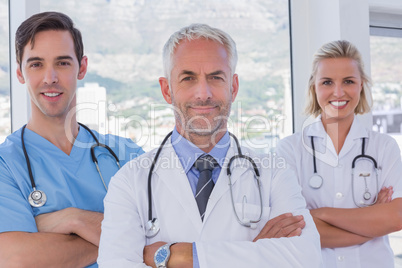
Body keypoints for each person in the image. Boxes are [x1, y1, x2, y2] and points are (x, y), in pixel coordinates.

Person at [97, 23, 322, 267]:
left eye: (215, 77)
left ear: (233, 87)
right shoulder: (130, 182)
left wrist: (180, 256)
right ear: (166, 90)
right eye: (188, 78)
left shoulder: (274, 173)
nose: (203, 93)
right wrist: (256, 250)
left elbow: (305, 259)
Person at [0, 11, 144, 267]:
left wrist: (72, 219)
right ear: (20, 73)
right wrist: (122, 238)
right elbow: (15, 258)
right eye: (36, 64)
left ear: (83, 67)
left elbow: (162, 237)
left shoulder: (126, 154)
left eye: (63, 63)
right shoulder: (5, 164)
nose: (50, 78)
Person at [276, 40, 402, 267]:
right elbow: (292, 228)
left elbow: (396, 217)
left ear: (361, 85)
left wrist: (320, 214)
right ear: (314, 87)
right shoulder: (290, 149)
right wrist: (372, 221)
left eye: (348, 81)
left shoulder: (384, 147)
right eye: (327, 82)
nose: (338, 91)